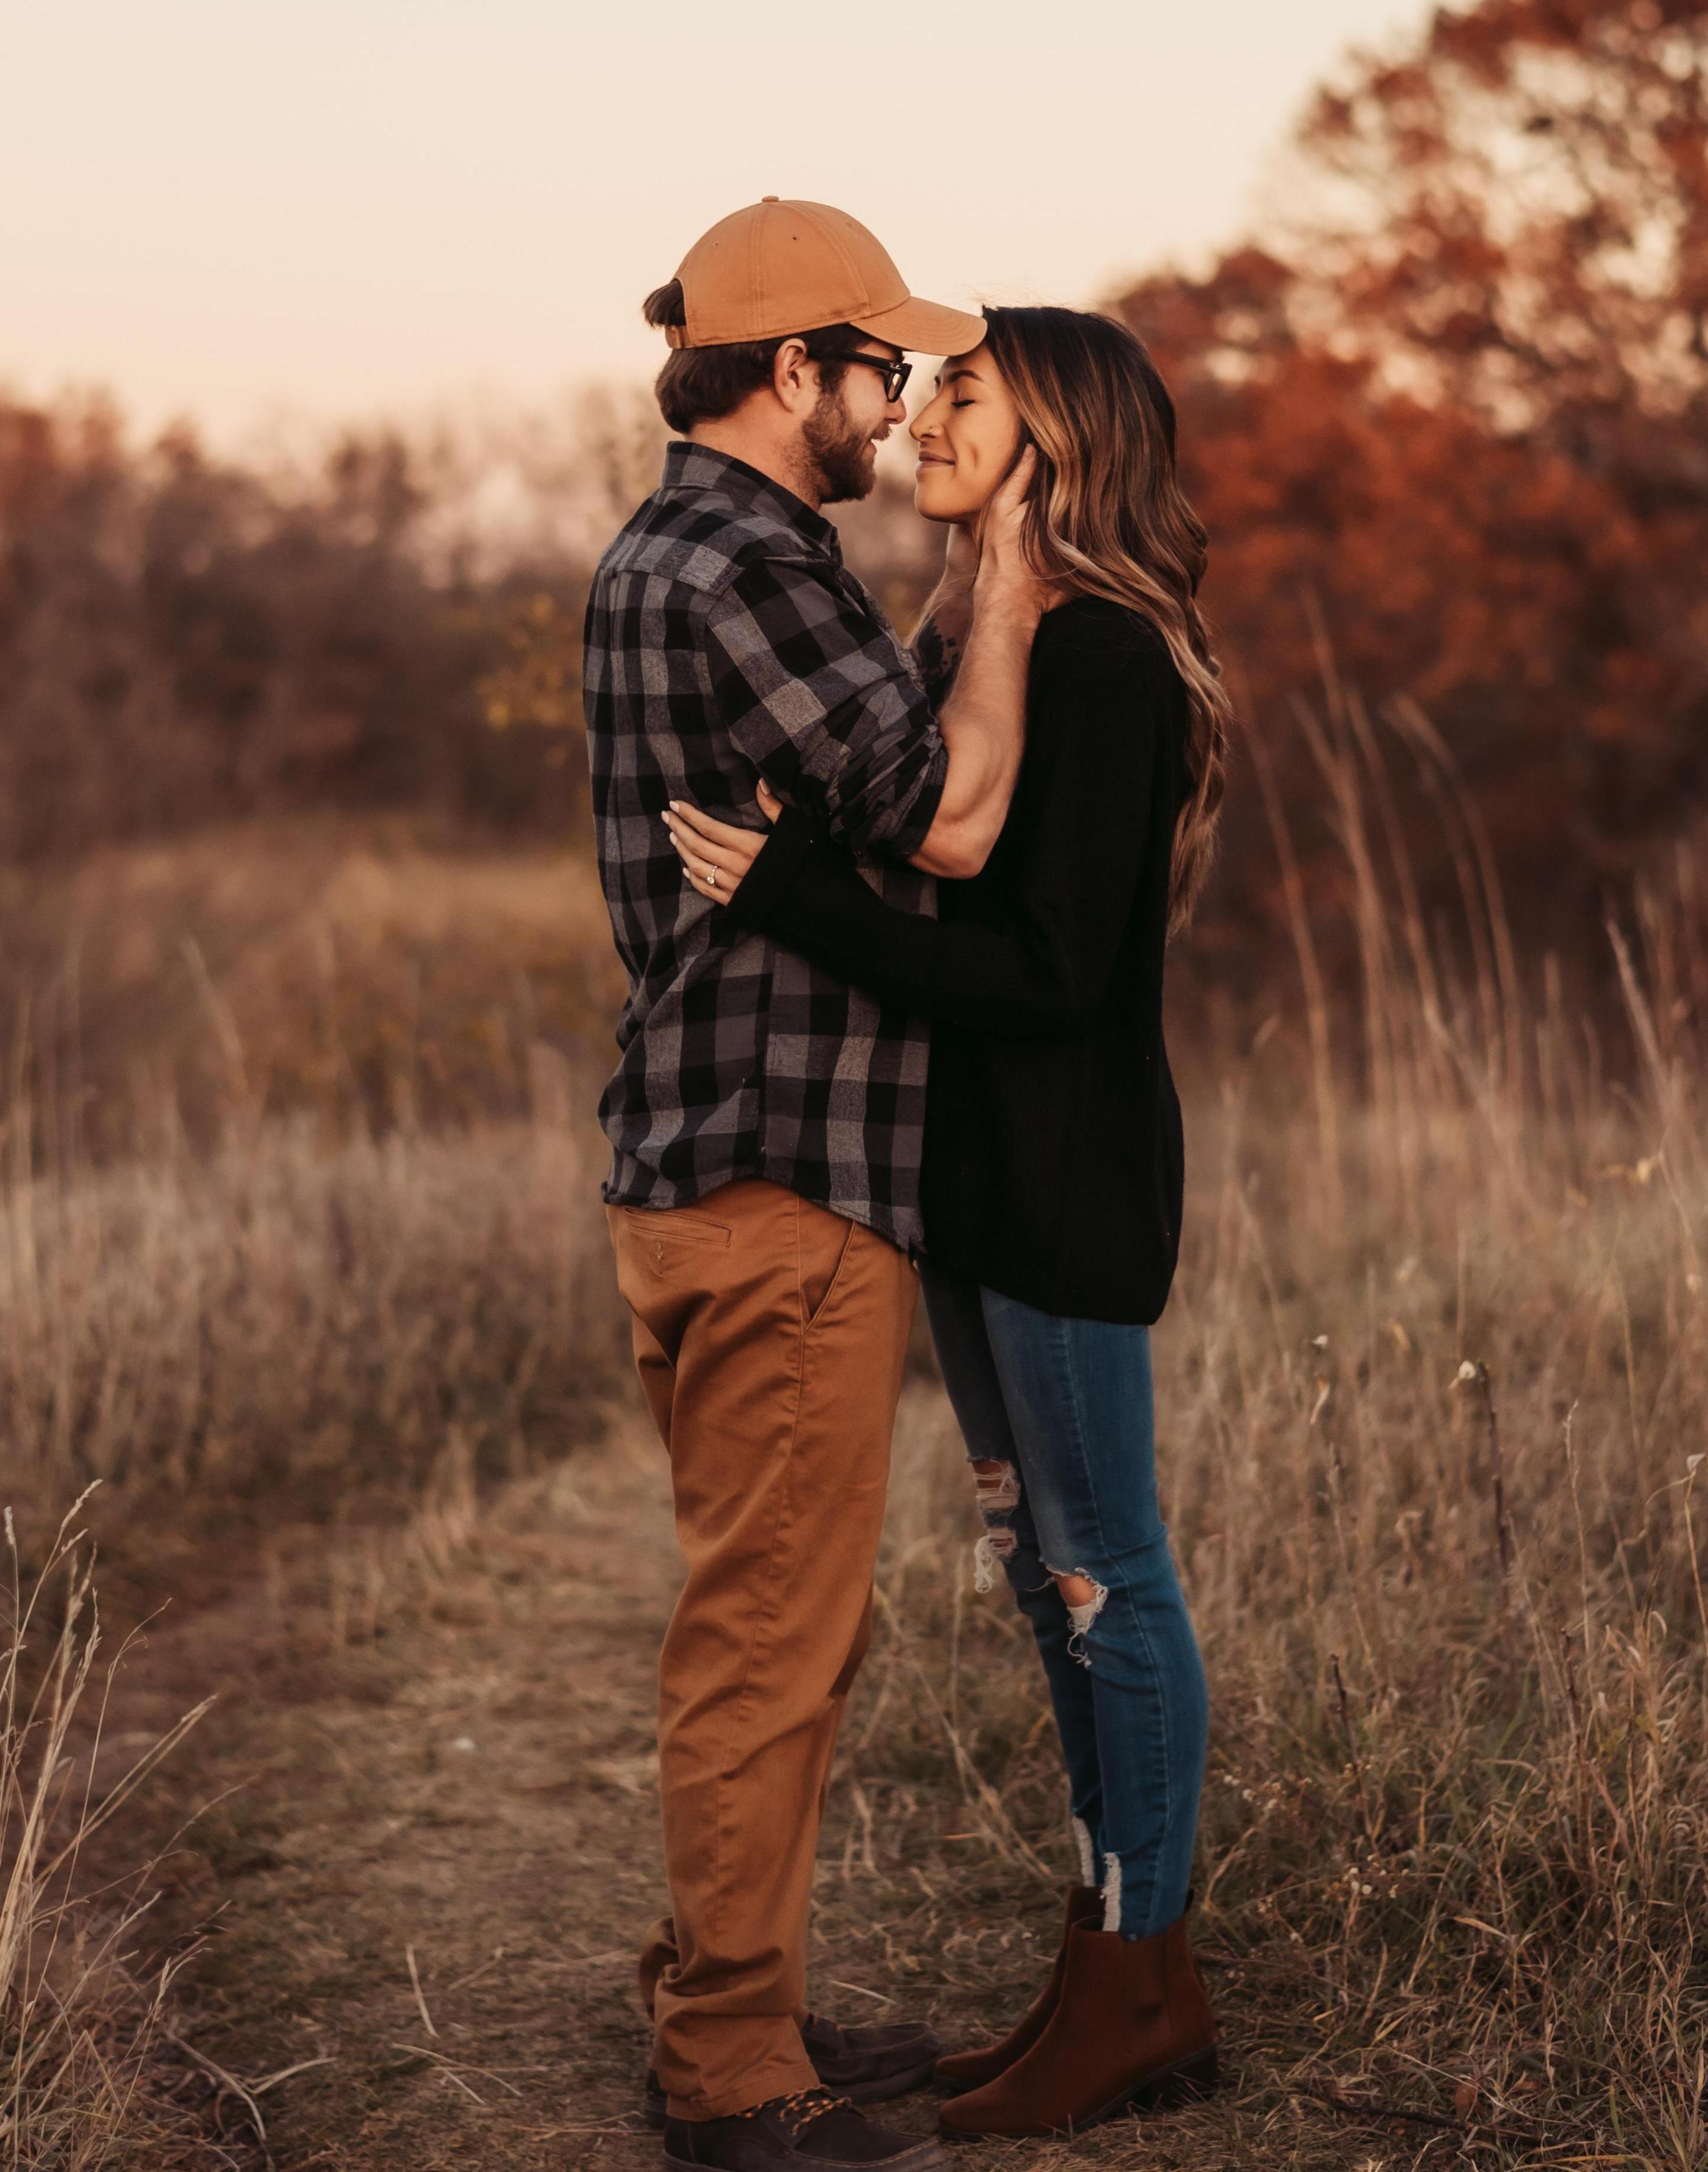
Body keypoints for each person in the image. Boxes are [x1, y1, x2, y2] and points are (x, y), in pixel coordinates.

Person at [663, 305, 1229, 2140]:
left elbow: (1047, 974)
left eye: (965, 397)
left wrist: (793, 891)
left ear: (1057, 439)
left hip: (1062, 1182)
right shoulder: (987, 642)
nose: (920, 419)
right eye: (921, 393)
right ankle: (1106, 1969)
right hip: (974, 1186)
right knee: (1042, 1581)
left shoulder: (1107, 661)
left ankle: (1139, 1984)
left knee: (1105, 1577)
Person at [584, 199, 1048, 2172]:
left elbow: (865, 758)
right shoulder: (754, 567)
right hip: (786, 1168)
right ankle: (727, 2068)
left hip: (702, 1154)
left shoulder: (665, 551)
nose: (899, 400)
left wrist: (927, 627)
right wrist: (1006, 577)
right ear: (795, 372)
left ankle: (741, 1990)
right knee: (769, 1642)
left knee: (764, 1621)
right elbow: (943, 814)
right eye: (880, 366)